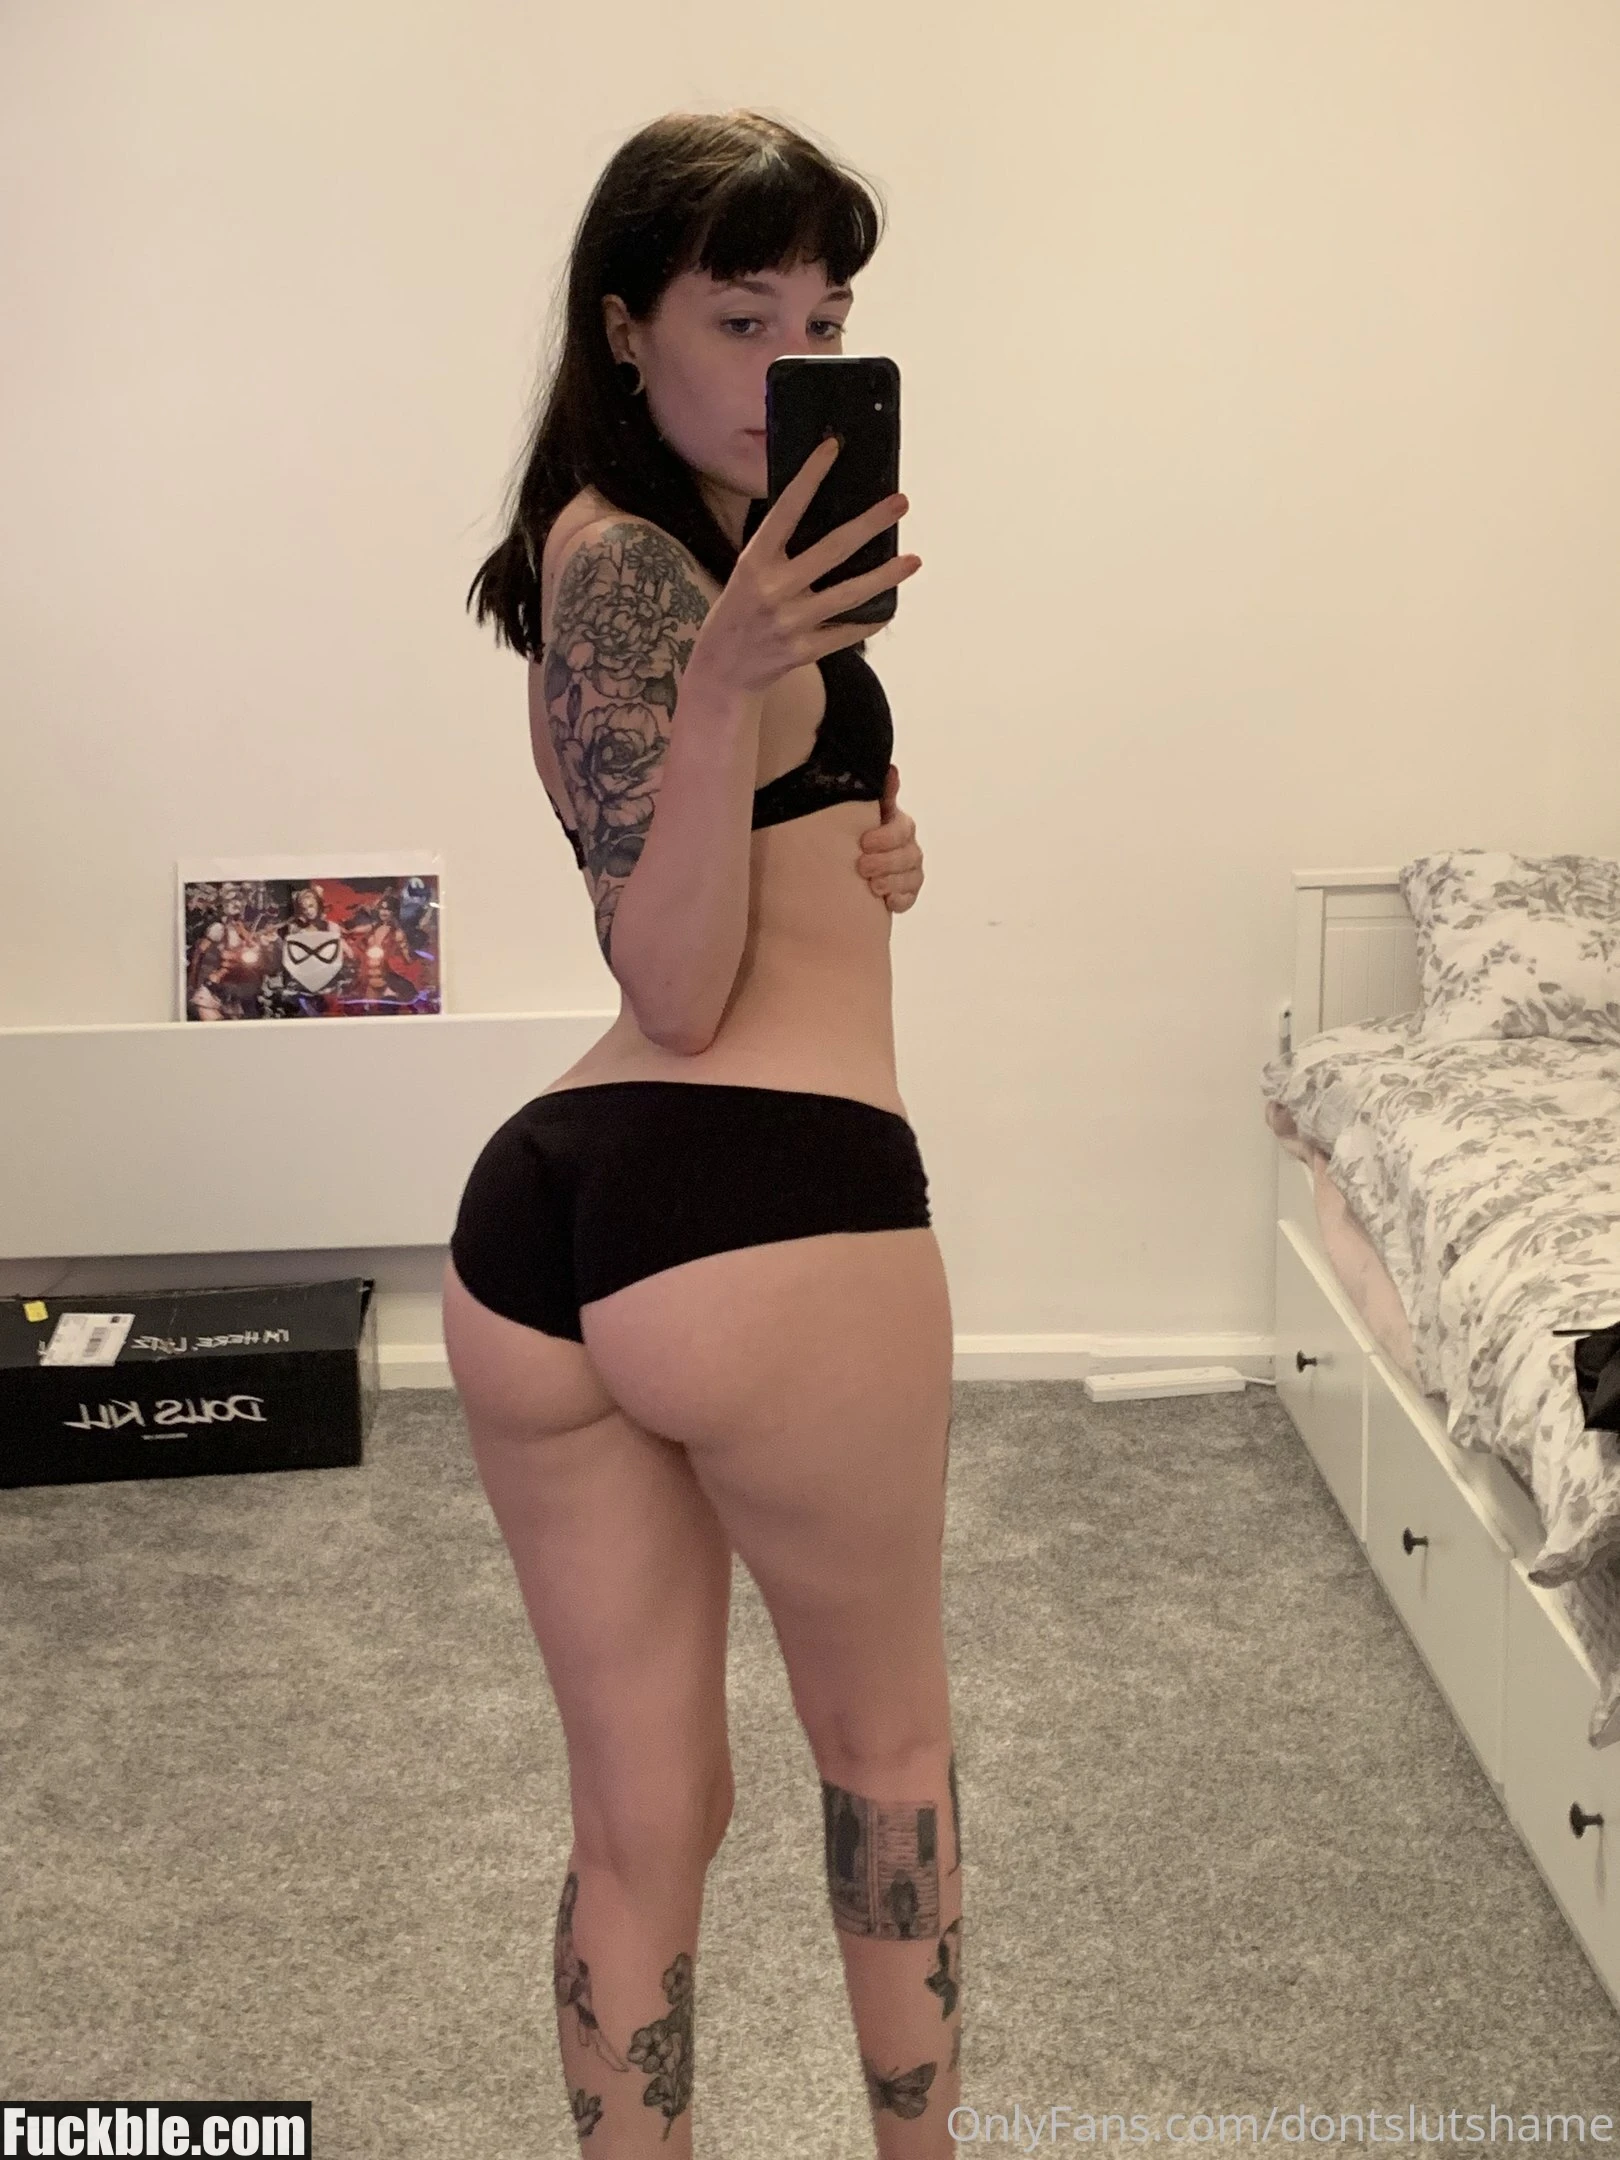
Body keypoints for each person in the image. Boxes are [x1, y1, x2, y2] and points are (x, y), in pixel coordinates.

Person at [446, 108, 960, 2158]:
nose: (785, 366)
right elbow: (673, 981)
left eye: (824, 323)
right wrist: (743, 684)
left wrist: (857, 840)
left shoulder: (647, 554)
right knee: (886, 1756)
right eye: (740, 319)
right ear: (623, 327)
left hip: (556, 1216)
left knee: (646, 1813)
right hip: (763, 1204)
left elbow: (716, 874)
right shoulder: (643, 576)